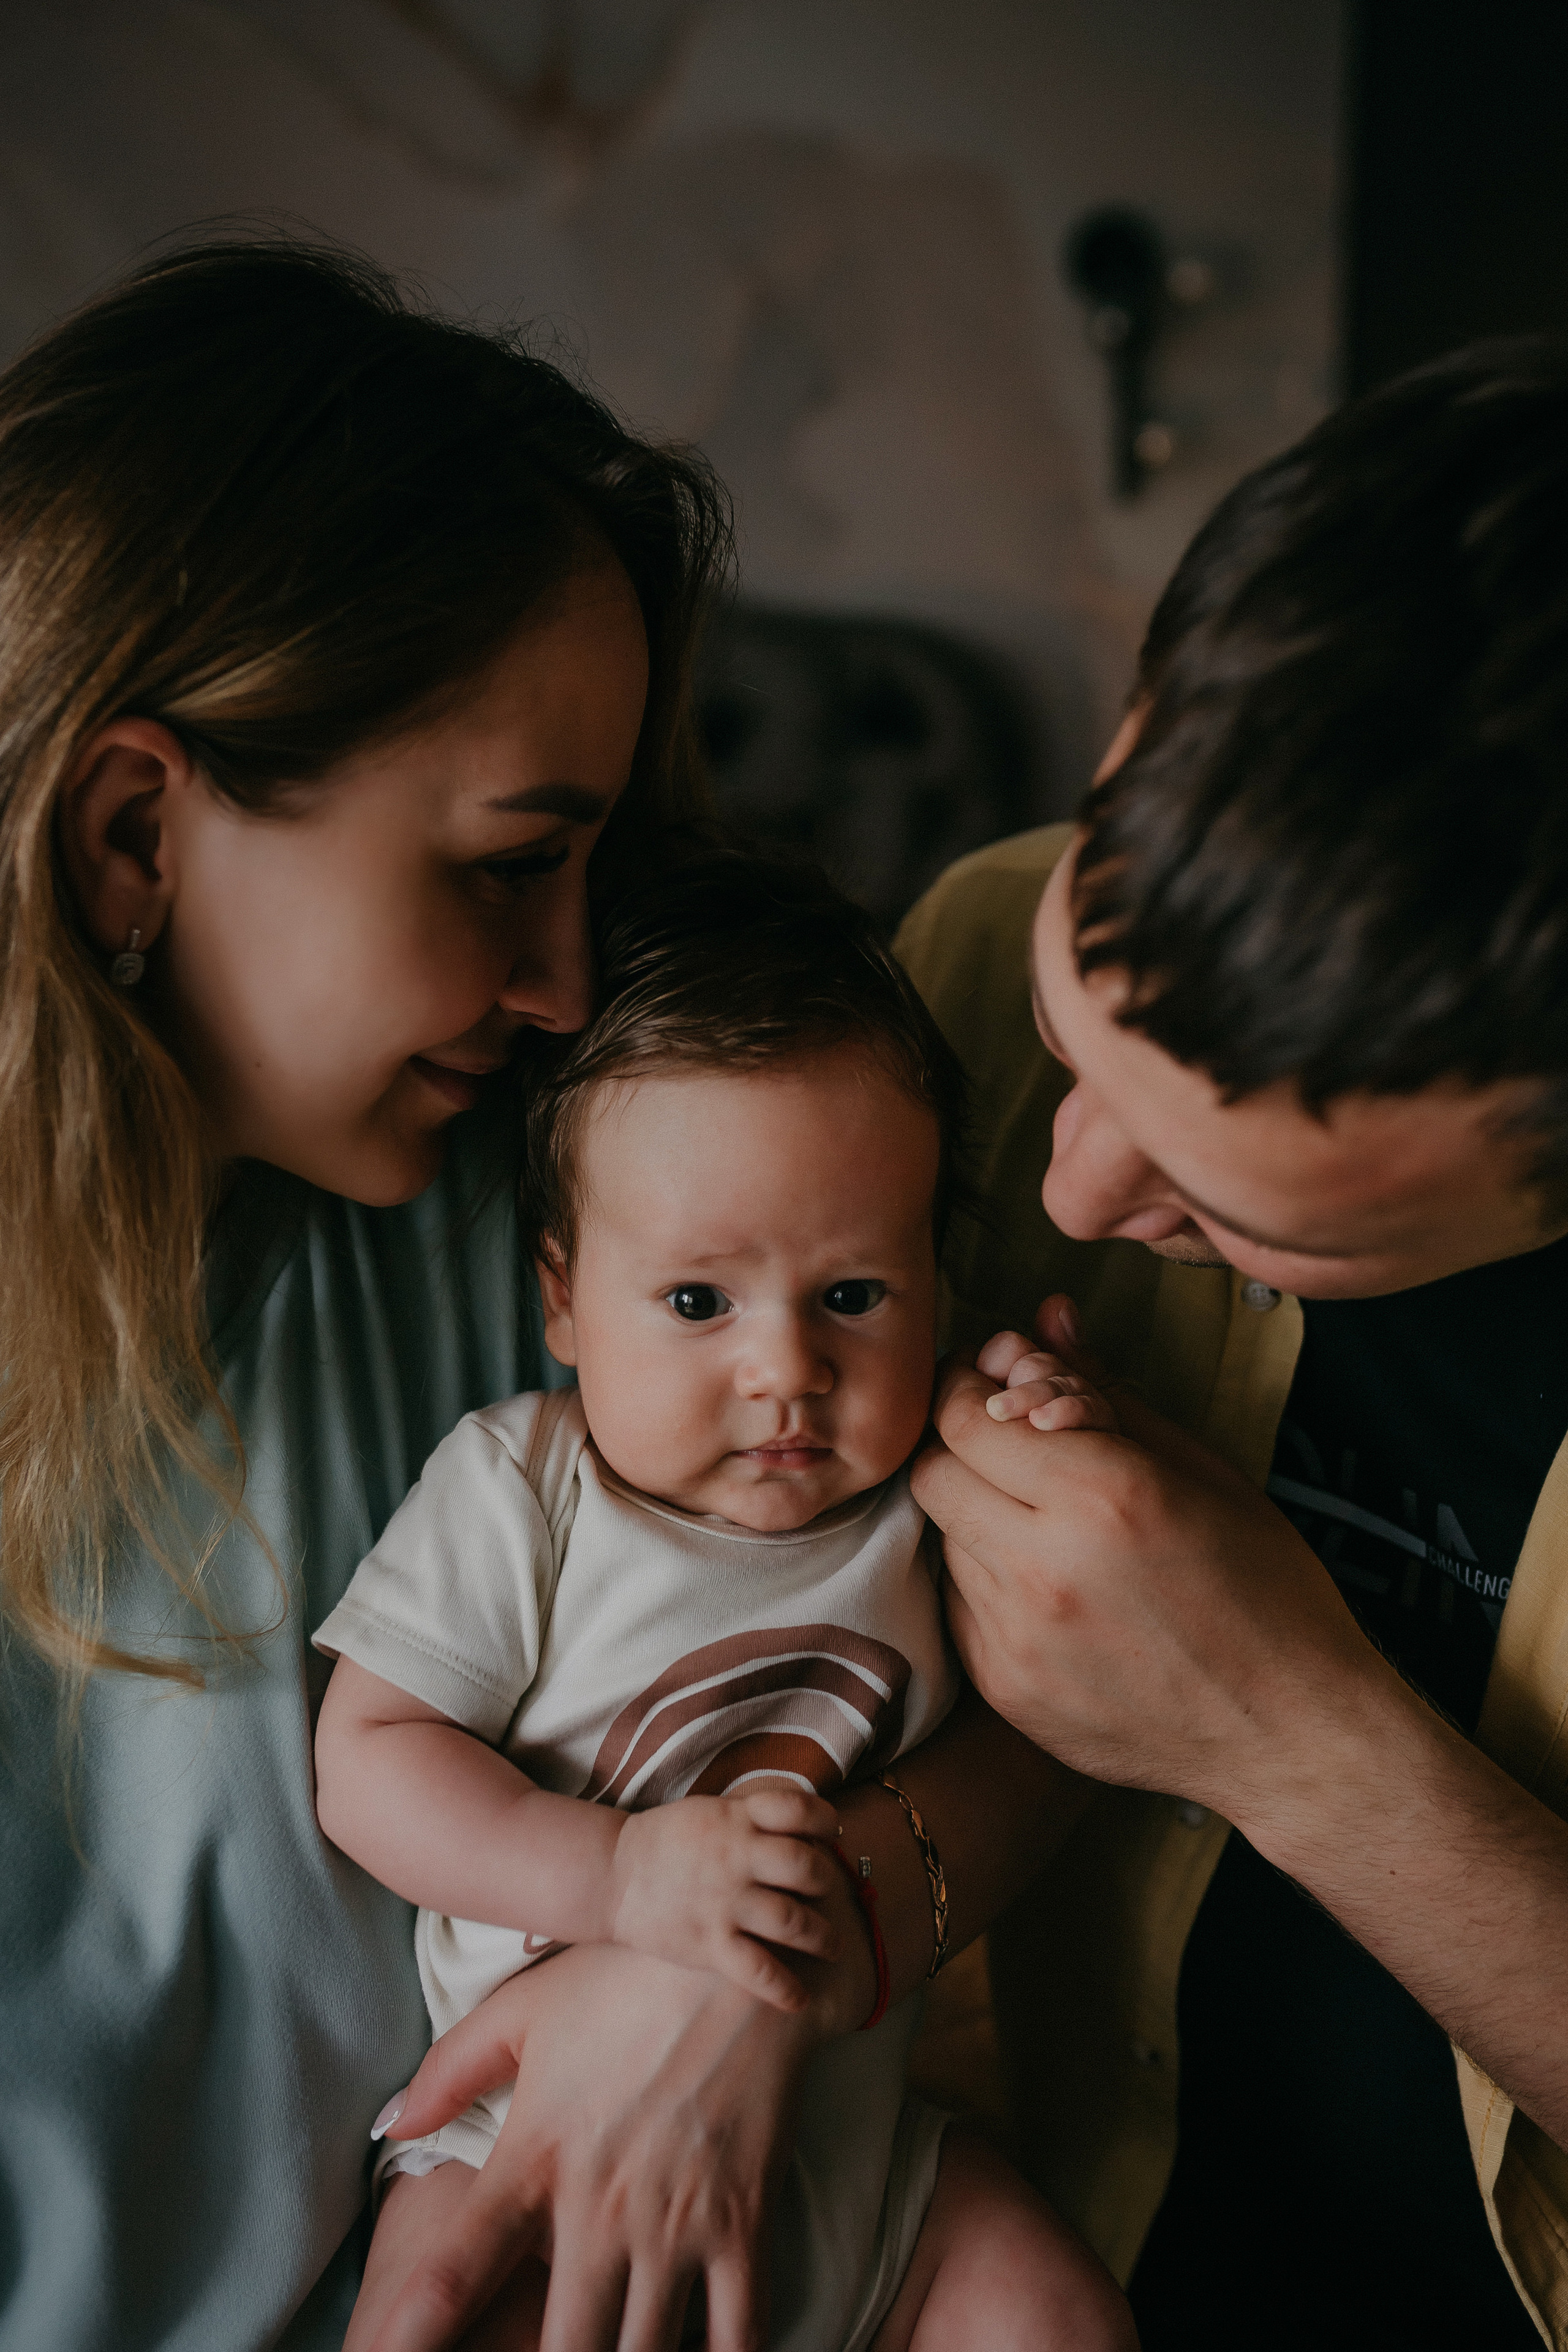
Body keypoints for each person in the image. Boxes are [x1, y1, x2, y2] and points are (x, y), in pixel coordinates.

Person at [0, 239, 1080, 2352]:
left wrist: (732, 1963)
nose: (572, 981)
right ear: (138, 830)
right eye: (503, 865)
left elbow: (1061, 1708)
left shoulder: (588, 1220)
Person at [893, 339, 1568, 2349]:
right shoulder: (945, 972)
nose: (1081, 1194)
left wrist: (1296, 1740)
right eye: (1073, 1020)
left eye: (1247, 1215)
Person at [311, 852, 1130, 2352]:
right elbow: (370, 1760)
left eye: (853, 1296)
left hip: (869, 2175)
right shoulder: (525, 1488)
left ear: (933, 1285)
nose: (785, 1371)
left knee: (1051, 2312)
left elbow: (1070, 1669)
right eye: (698, 1303)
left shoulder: (930, 1481)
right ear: (562, 1296)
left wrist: (1046, 1433)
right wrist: (620, 1885)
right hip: (533, 2141)